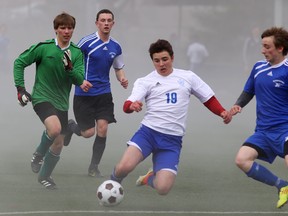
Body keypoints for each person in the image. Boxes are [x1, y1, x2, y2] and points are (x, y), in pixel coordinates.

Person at [110, 39, 232, 195]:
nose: (161, 64)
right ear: (152, 61)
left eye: (165, 59)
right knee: (123, 167)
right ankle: (113, 183)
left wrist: (222, 112)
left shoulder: (188, 77)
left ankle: (149, 178)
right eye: (157, 61)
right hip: (148, 134)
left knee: (163, 188)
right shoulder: (146, 81)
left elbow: (208, 98)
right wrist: (132, 106)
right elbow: (127, 104)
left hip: (172, 141)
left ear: (172, 58)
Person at [13, 12, 92, 189]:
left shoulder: (77, 53)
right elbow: (19, 62)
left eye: (70, 28)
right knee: (55, 129)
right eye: (62, 28)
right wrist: (20, 89)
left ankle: (44, 176)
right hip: (42, 97)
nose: (66, 31)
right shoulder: (44, 47)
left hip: (62, 103)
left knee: (58, 144)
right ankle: (38, 154)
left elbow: (79, 79)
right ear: (56, 29)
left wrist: (70, 69)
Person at [64, 9, 128, 177]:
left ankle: (94, 167)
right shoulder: (86, 42)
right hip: (84, 94)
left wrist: (122, 79)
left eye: (109, 20)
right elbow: (72, 62)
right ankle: (70, 126)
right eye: (103, 20)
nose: (106, 23)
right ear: (97, 23)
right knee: (88, 133)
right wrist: (80, 81)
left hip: (104, 94)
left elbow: (118, 67)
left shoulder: (116, 46)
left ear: (113, 24)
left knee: (103, 129)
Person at [230, 27, 288, 208]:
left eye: (267, 46)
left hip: (285, 129)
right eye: (262, 46)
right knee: (242, 159)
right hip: (263, 131)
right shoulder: (258, 67)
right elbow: (249, 90)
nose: (263, 50)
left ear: (280, 48)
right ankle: (282, 186)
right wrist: (238, 104)